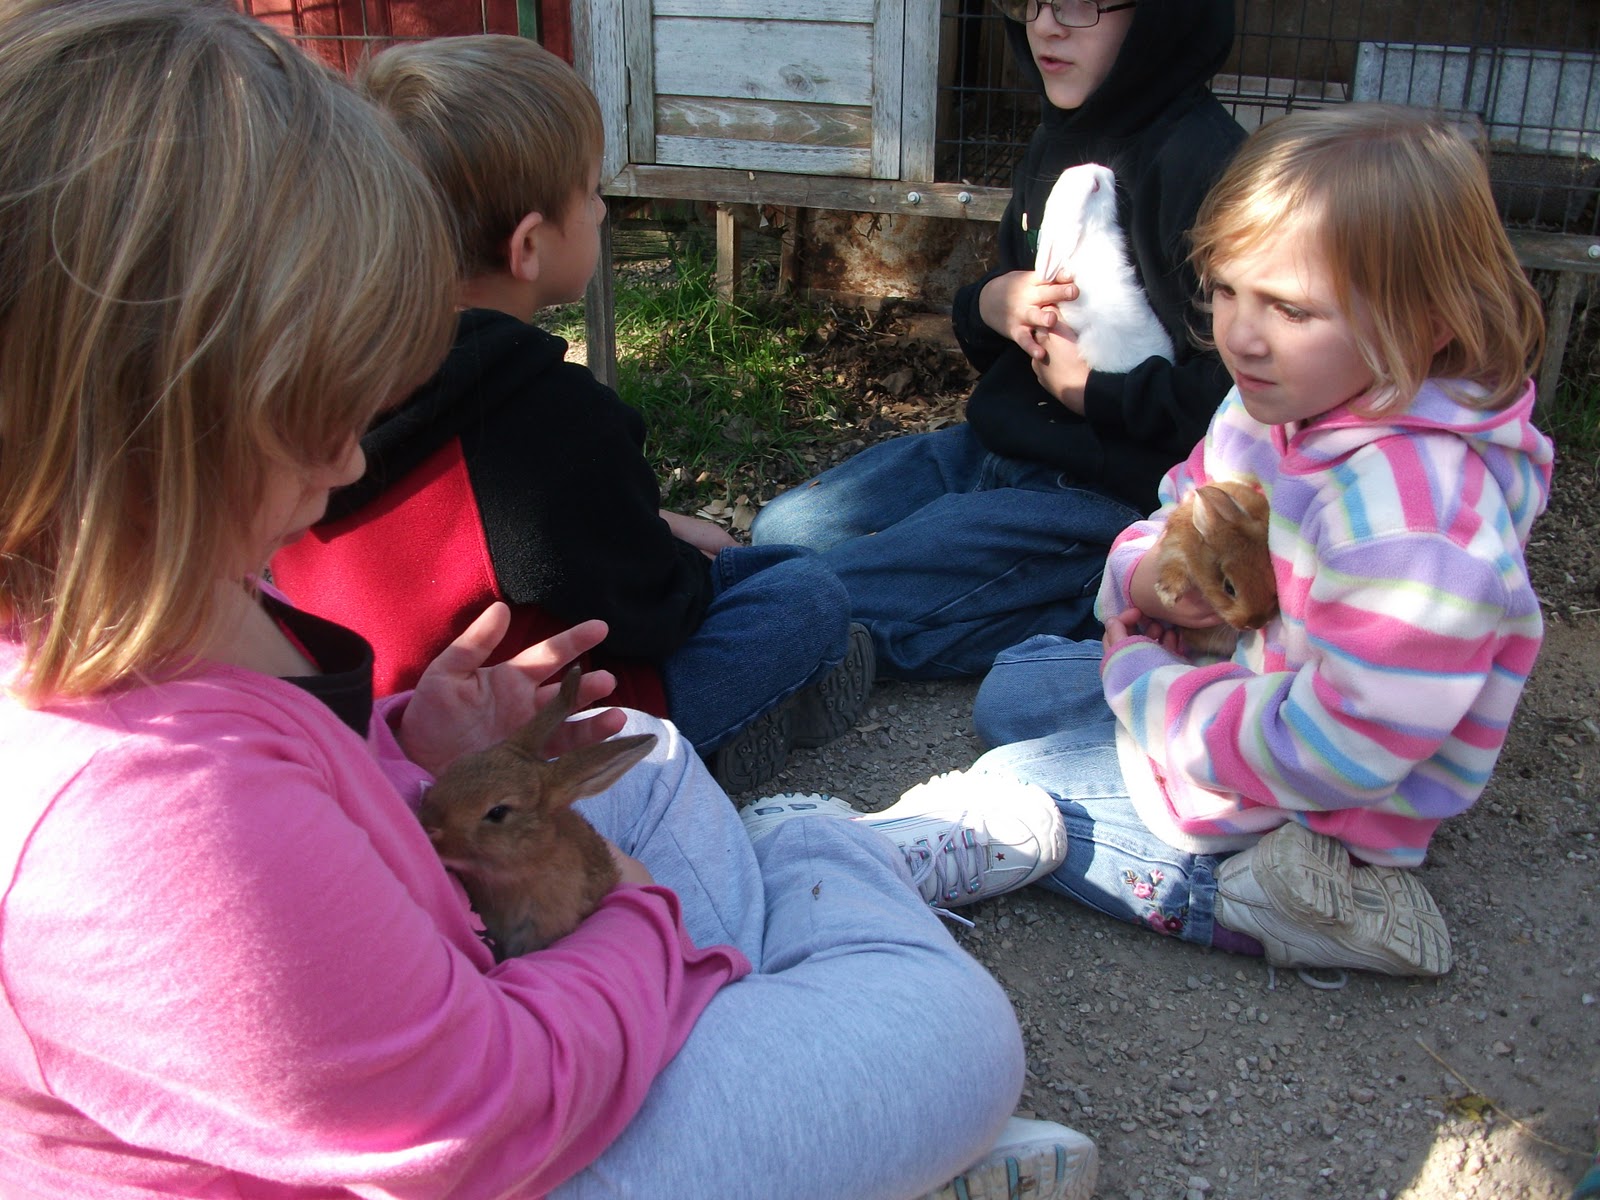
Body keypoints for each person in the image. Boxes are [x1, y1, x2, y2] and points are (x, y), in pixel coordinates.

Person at [0, 4, 1104, 1196]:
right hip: (502, 1138)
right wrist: (641, 929)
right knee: (954, 1032)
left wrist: (408, 752)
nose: (350, 463)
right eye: (315, 412)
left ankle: (786, 956)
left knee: (647, 746)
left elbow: (304, 797)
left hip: (455, 998)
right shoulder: (157, 817)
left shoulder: (144, 600)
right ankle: (820, 905)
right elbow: (478, 1109)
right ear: (154, 425)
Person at [950, 102, 1550, 977]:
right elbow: (1178, 504)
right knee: (1013, 690)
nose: (1240, 335)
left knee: (1006, 793)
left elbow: (1346, 750)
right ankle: (1141, 779)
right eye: (1227, 290)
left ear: (1426, 324)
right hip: (1234, 685)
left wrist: (1148, 685)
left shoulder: (1417, 524)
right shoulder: (1272, 398)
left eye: (1290, 308)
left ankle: (1271, 895)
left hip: (1320, 795)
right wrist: (1150, 581)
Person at [269, 35, 873, 794]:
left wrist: (652, 528)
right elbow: (650, 614)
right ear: (527, 245)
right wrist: (674, 554)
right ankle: (721, 742)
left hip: (382, 729)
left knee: (729, 559)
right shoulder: (543, 412)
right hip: (532, 757)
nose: (599, 207)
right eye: (589, 192)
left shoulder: (318, 371)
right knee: (799, 590)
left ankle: (741, 736)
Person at [749, 0, 1244, 681]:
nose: (1046, 26)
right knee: (783, 534)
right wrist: (988, 304)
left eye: (1080, 3)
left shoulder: (1203, 165)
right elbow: (1014, 322)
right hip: (995, 450)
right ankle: (1020, 594)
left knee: (826, 597)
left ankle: (1094, 594)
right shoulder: (1060, 134)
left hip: (1098, 489)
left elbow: (1233, 395)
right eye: (1029, 1)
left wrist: (1092, 392)